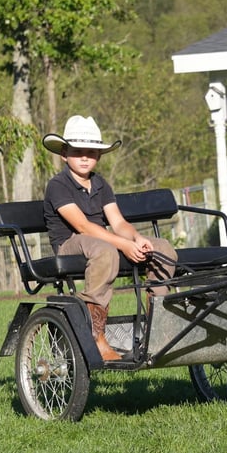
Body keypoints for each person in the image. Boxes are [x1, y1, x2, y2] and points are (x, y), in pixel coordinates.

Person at [43, 115, 178, 361]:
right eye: (77, 151)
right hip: (72, 244)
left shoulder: (101, 184)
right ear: (64, 153)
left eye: (91, 152)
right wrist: (123, 245)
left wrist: (136, 239)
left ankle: (158, 328)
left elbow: (117, 222)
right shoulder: (57, 185)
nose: (85, 157)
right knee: (104, 249)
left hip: (100, 242)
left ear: (99, 155)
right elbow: (82, 225)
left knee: (163, 248)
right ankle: (96, 336)